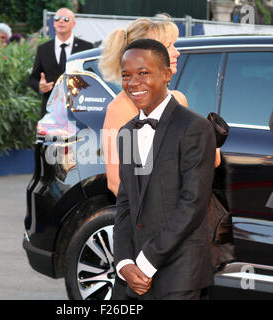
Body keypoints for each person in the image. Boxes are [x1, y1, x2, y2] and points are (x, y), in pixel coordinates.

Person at [114, 39, 216, 300]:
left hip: (180, 270)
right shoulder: (126, 132)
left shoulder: (194, 127)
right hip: (135, 271)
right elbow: (125, 202)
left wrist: (147, 261)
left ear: (167, 74)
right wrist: (125, 262)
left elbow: (192, 204)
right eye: (126, 75)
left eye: (143, 73)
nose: (133, 83)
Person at [100, 16, 221, 197]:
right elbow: (117, 182)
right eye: (168, 46)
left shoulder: (179, 99)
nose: (177, 52)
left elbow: (211, 161)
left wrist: (211, 137)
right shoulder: (121, 109)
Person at [29, 7, 94, 116]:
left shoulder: (86, 47)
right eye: (57, 18)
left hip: (80, 109)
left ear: (73, 23)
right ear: (53, 24)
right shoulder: (43, 49)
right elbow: (33, 78)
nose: (61, 21)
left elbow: (93, 77)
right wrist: (40, 87)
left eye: (66, 18)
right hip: (50, 110)